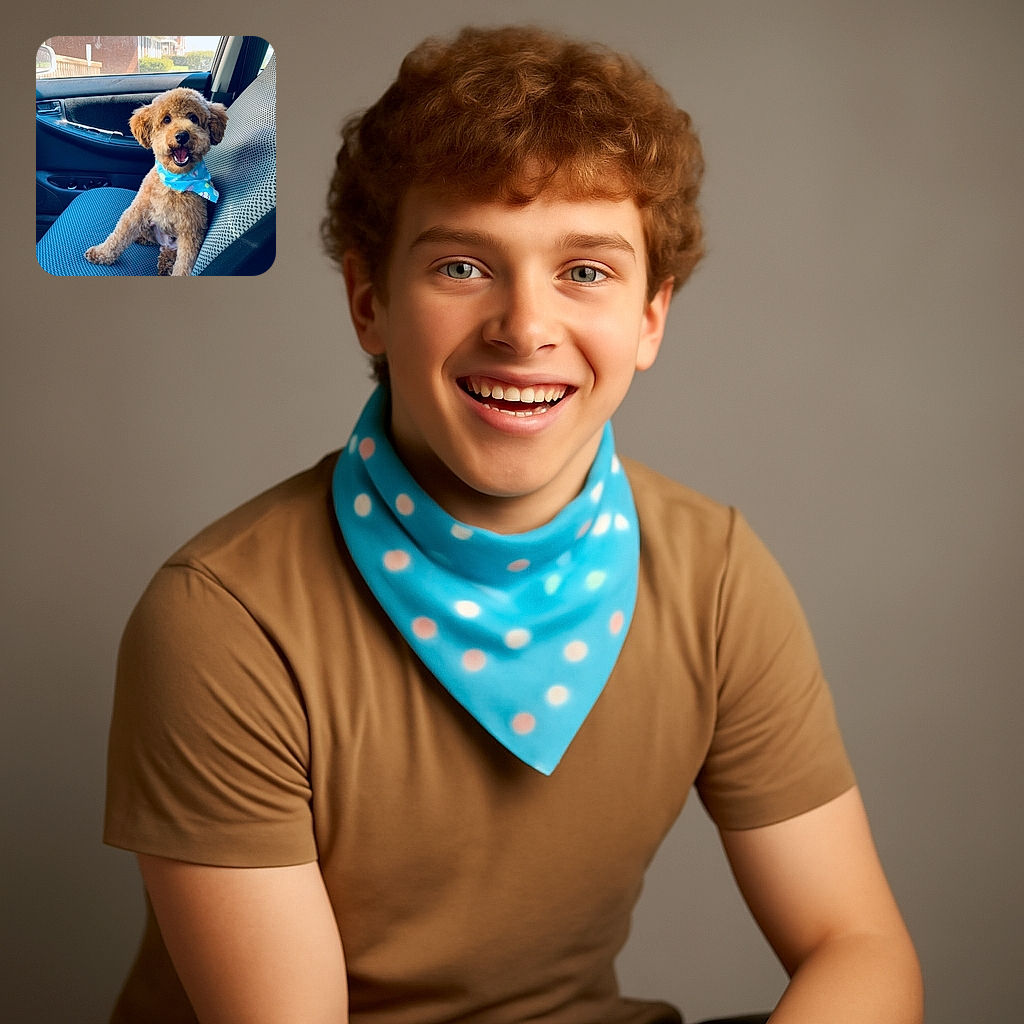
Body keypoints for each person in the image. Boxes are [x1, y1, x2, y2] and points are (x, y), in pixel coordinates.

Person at [104, 25, 923, 1024]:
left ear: (651, 317)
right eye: (461, 267)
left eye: (586, 271)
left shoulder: (712, 573)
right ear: (368, 303)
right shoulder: (226, 619)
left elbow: (856, 944)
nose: (525, 327)